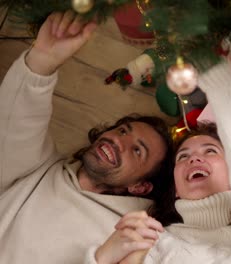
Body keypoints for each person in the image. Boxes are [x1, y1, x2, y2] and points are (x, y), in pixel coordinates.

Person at [0, 11, 177, 264]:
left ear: (140, 186)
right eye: (122, 130)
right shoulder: (40, 170)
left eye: (137, 150)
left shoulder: (128, 236)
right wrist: (42, 61)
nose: (119, 140)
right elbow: (15, 123)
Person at [86, 63, 231, 263]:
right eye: (183, 156)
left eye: (210, 151)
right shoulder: (152, 241)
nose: (194, 158)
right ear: (177, 190)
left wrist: (219, 78)